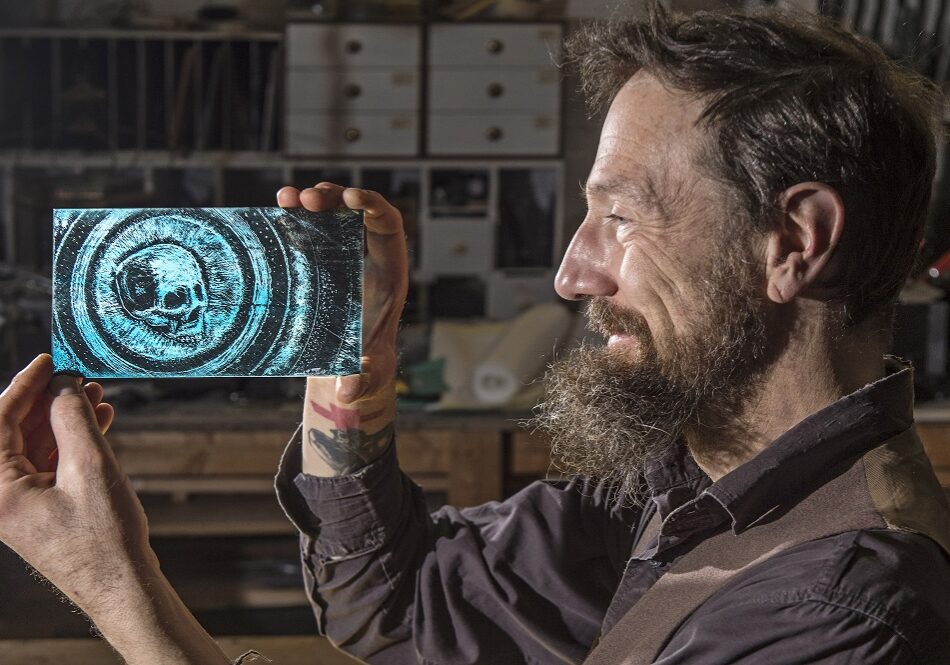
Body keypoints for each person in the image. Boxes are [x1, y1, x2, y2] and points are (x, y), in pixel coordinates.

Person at [2, 4, 950, 664]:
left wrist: (114, 584)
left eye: (620, 217)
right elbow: (399, 602)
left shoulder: (839, 611)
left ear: (794, 241)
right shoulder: (687, 492)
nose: (572, 273)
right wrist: (354, 369)